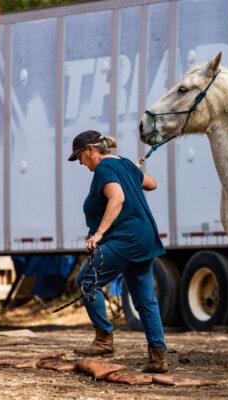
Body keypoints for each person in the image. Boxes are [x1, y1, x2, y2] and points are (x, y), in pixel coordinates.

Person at [68, 130, 168, 373]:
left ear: (90, 150)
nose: (80, 163)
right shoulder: (122, 163)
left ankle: (104, 339)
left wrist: (98, 234)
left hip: (125, 239)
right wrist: (134, 170)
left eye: (80, 157)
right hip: (143, 238)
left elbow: (118, 198)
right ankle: (158, 357)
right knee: (145, 300)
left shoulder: (104, 168)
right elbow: (151, 184)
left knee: (86, 280)